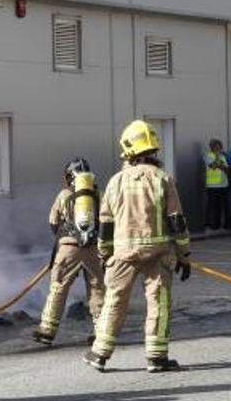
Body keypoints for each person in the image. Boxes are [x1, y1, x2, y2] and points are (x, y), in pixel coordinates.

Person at [85, 120, 190, 373]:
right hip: (159, 253)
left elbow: (105, 223)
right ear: (153, 150)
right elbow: (176, 220)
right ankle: (156, 357)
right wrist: (184, 255)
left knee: (114, 301)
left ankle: (99, 354)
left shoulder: (116, 181)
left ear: (128, 150)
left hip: (122, 253)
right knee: (159, 302)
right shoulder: (163, 179)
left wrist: (103, 254)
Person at [33, 158, 107, 346]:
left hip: (69, 249)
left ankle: (47, 331)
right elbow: (108, 222)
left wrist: (65, 238)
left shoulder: (64, 194)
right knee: (97, 289)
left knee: (58, 287)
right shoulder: (100, 194)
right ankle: (101, 333)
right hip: (93, 249)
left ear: (69, 176)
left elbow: (53, 221)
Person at [203, 139, 231, 230]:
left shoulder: (223, 156)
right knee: (214, 207)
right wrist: (219, 163)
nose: (217, 148)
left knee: (224, 206)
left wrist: (220, 165)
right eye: (215, 146)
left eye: (219, 146)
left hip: (223, 184)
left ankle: (226, 225)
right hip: (213, 185)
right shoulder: (208, 156)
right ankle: (214, 225)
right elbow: (213, 166)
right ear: (211, 147)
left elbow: (227, 169)